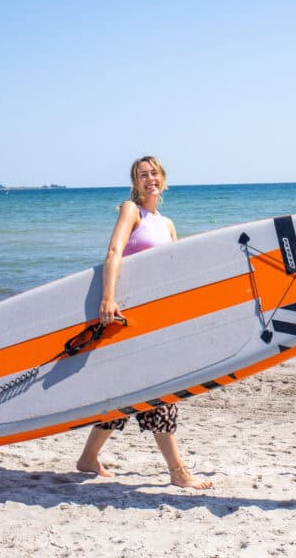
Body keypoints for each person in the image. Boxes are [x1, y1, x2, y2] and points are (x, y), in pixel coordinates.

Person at [76, 156, 212, 490]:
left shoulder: (167, 224)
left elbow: (174, 273)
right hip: (127, 317)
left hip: (156, 320)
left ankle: (87, 459)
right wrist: (107, 298)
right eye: (142, 175)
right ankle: (178, 471)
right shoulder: (131, 210)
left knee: (126, 393)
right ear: (135, 183)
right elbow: (114, 252)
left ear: (163, 179)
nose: (149, 179)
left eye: (153, 173)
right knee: (160, 393)